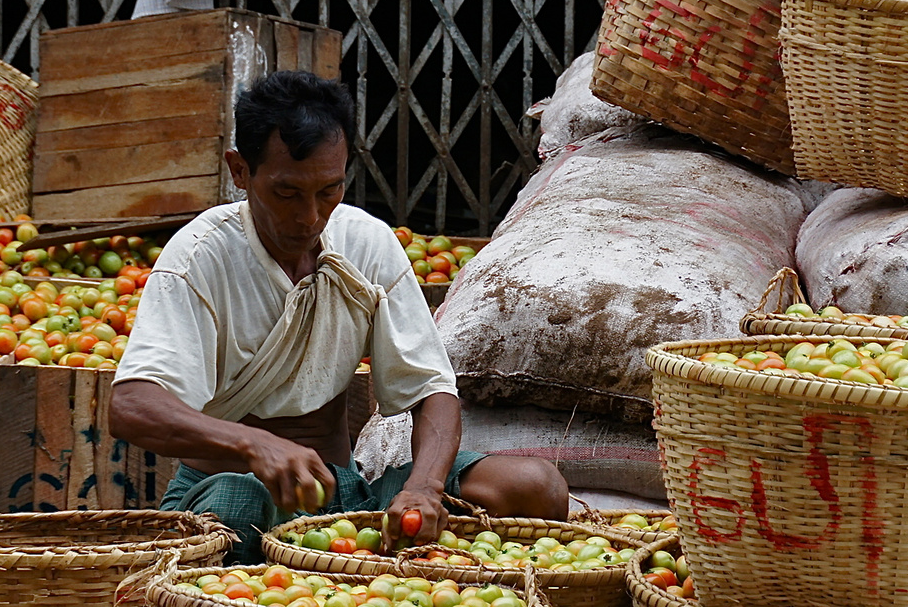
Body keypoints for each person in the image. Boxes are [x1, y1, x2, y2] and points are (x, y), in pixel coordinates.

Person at [109, 70, 569, 563]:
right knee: (241, 501)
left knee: (532, 485)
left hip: (343, 499)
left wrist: (424, 488)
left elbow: (432, 390)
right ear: (240, 171)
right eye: (287, 193)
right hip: (221, 497)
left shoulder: (366, 243)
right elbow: (131, 405)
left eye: (329, 190)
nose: (309, 216)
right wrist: (254, 447)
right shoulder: (200, 255)